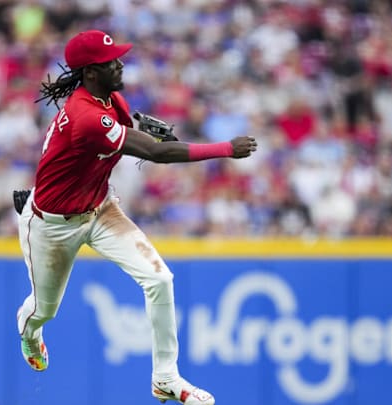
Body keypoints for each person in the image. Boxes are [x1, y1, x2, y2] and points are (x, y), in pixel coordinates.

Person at [15, 30, 257, 405]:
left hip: (99, 210)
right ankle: (30, 332)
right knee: (44, 309)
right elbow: (156, 154)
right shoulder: (86, 115)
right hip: (52, 225)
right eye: (111, 61)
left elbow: (132, 135)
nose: (120, 63)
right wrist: (226, 148)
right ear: (91, 73)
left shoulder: (109, 99)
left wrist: (143, 130)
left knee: (160, 278)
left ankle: (165, 377)